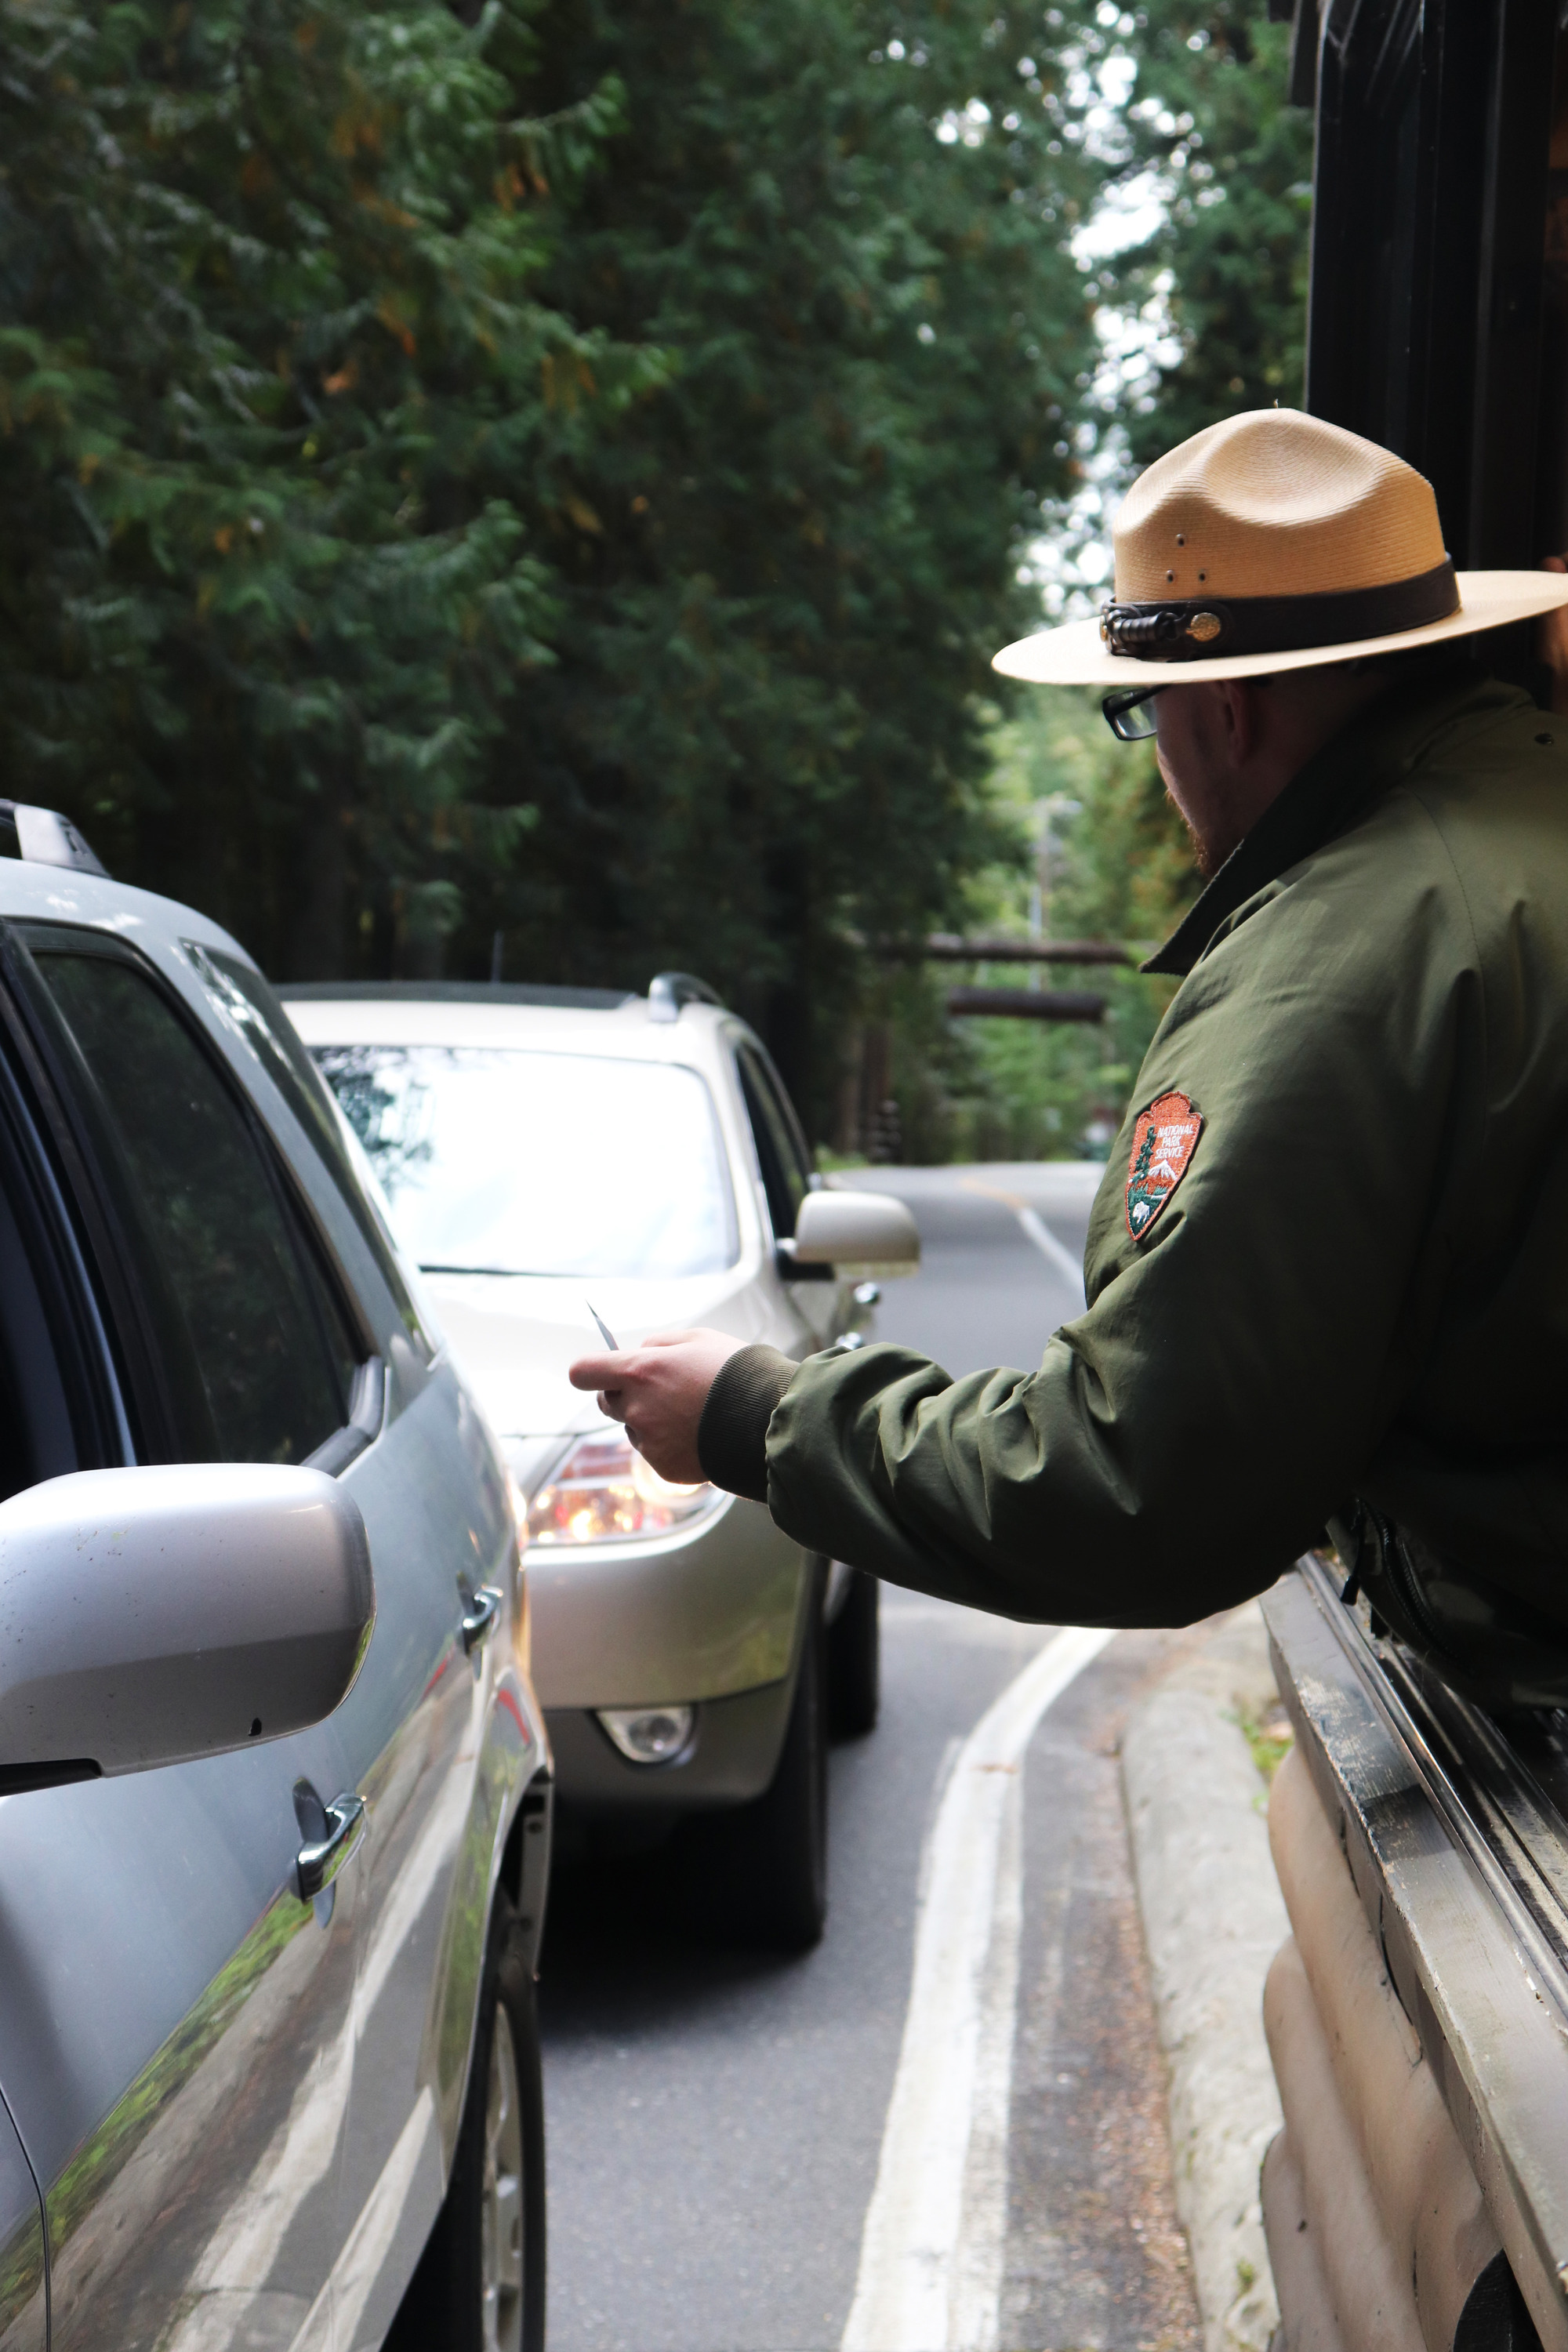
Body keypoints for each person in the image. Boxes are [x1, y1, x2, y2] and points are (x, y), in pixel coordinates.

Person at [568, 408, 1568, 1708]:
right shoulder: (1526, 819)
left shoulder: (1347, 954)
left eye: (1144, 713)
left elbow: (1141, 1483)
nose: (1159, 763)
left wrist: (749, 1415)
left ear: (1234, 710)